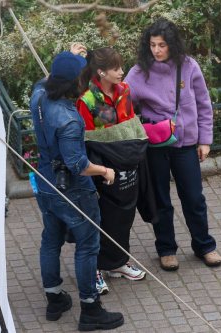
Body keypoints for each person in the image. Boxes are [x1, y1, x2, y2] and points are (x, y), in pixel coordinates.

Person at [29, 45, 124, 331]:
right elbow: (77, 164)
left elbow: (48, 78)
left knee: (51, 239)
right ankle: (90, 309)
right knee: (87, 246)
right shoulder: (69, 120)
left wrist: (70, 57)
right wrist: (105, 171)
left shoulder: (39, 95)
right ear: (75, 84)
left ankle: (54, 299)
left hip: (45, 183)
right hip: (73, 191)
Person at [124, 19, 221, 271]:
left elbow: (204, 104)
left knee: (194, 198)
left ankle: (204, 246)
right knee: (159, 200)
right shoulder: (137, 73)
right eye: (153, 45)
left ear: (173, 45)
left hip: (186, 145)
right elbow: (122, 106)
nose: (157, 50)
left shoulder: (189, 67)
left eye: (162, 45)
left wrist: (205, 140)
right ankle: (166, 249)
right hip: (155, 147)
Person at [76, 47, 150, 295]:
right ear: (100, 72)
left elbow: (128, 125)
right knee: (102, 218)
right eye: (116, 68)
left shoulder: (125, 91)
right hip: (104, 167)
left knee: (124, 217)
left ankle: (117, 263)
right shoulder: (86, 100)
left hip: (126, 163)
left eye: (121, 67)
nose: (122, 72)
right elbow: (87, 140)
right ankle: (95, 268)